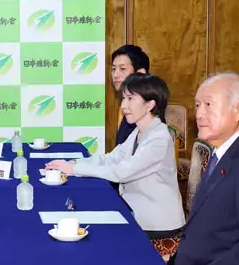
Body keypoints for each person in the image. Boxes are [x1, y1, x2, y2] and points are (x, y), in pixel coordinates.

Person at [46, 73, 185, 237]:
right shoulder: (139, 131)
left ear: (150, 105)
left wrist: (75, 169)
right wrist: (75, 163)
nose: (124, 105)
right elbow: (111, 158)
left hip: (156, 222)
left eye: (130, 99)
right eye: (123, 98)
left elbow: (122, 172)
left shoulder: (159, 138)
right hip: (135, 210)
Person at [168, 72, 239, 265]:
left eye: (208, 104)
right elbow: (218, 229)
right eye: (197, 105)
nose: (199, 114)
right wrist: (173, 260)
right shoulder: (224, 151)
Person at [111, 45, 150, 146]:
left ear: (140, 73)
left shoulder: (146, 110)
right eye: (114, 69)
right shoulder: (127, 105)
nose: (115, 75)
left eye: (122, 69)